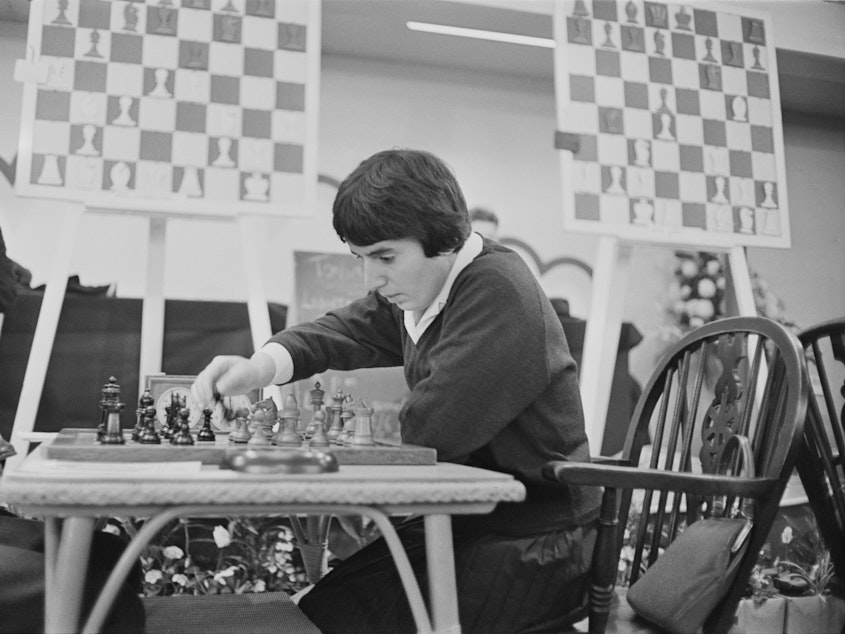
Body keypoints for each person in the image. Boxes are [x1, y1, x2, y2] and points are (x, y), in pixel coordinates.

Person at [192, 149, 601, 633]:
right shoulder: (426, 289)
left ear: (444, 239)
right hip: (470, 521)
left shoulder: (496, 289)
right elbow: (341, 332)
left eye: (385, 257)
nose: (373, 279)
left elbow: (431, 432)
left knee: (329, 618)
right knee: (314, 608)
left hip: (540, 542)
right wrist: (257, 367)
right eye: (361, 258)